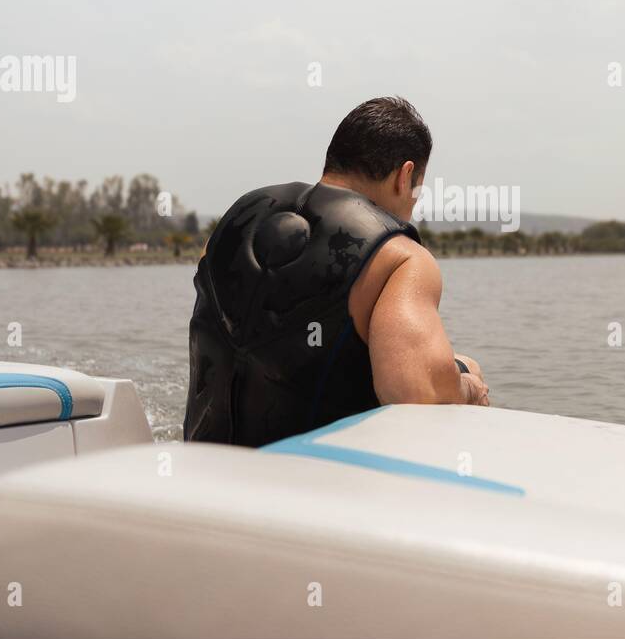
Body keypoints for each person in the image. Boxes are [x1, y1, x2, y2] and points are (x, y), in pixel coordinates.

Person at [184, 96, 489, 447]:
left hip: (199, 474)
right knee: (464, 369)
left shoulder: (232, 223)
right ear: (405, 176)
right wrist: (466, 380)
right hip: (308, 488)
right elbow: (415, 392)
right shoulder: (400, 260)